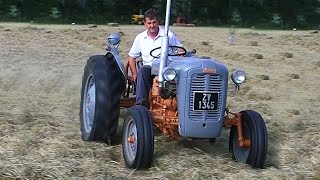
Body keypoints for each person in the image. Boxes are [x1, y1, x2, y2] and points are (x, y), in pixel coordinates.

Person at [128, 9, 183, 105]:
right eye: (149, 23)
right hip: (150, 68)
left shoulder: (168, 35)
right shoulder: (140, 38)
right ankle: (141, 105)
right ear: (145, 24)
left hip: (167, 68)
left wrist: (180, 52)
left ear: (158, 22)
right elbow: (131, 57)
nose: (152, 26)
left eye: (154, 22)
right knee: (143, 70)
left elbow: (180, 50)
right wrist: (134, 74)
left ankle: (178, 103)